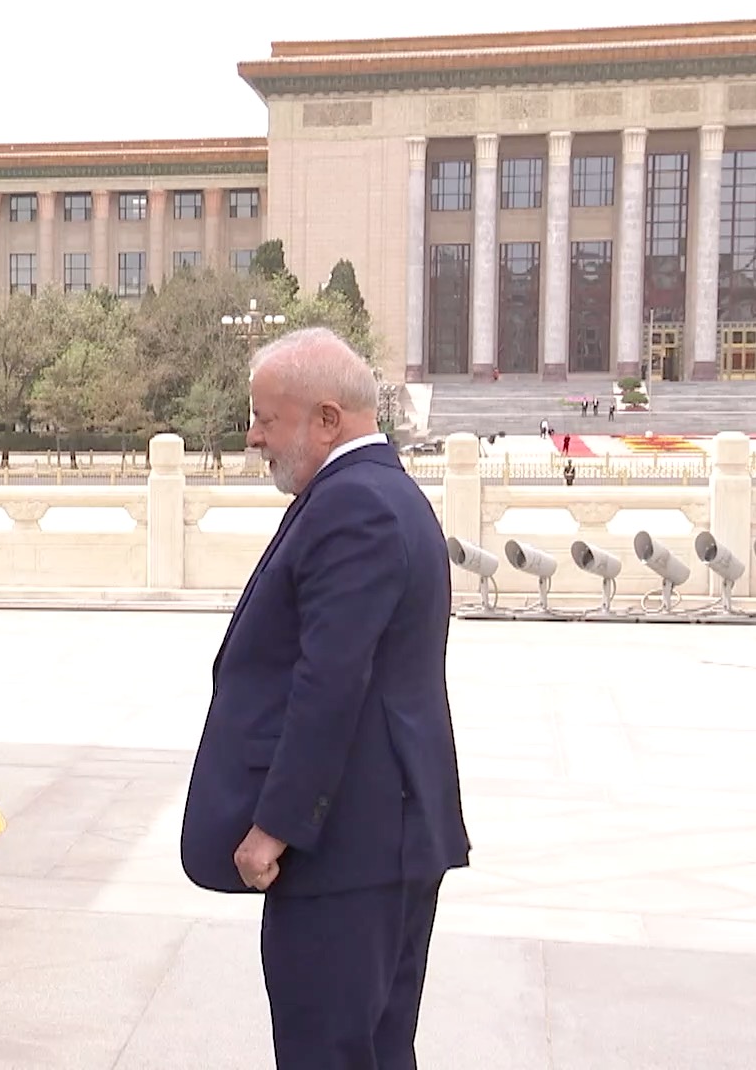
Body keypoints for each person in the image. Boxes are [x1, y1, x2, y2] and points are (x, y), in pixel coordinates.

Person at [180, 328, 470, 1069]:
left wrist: (275, 826)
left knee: (330, 1054)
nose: (253, 436)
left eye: (267, 418)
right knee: (371, 1050)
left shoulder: (358, 507)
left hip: (349, 849)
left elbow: (331, 681)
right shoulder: (372, 492)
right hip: (381, 841)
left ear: (327, 419)